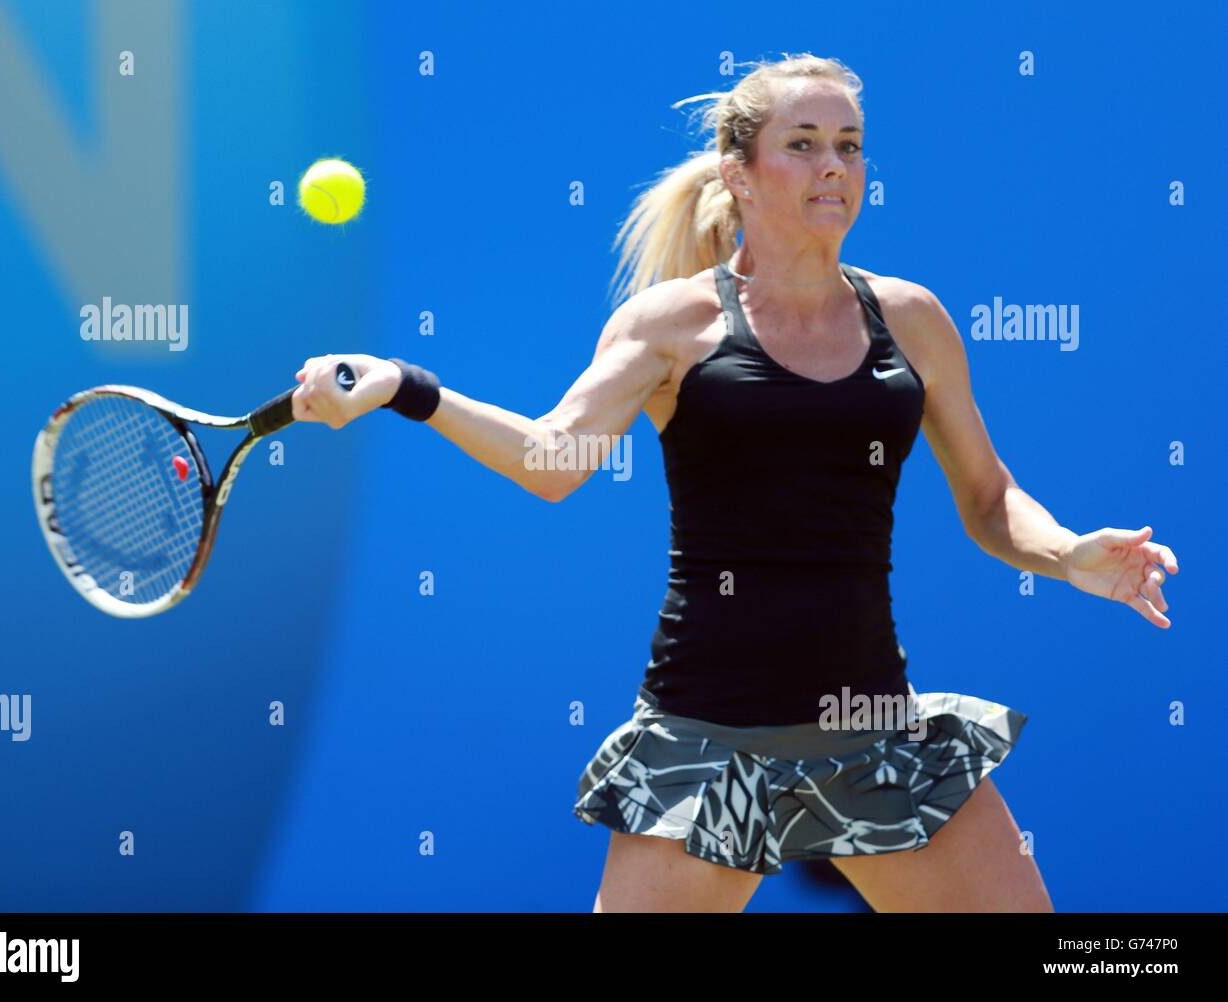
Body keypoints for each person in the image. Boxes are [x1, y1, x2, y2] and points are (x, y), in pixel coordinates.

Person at [289, 52, 1179, 913]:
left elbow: (989, 499)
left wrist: (1068, 554)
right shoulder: (673, 324)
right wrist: (409, 388)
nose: (833, 165)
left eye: (850, 143)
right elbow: (549, 461)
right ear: (740, 172)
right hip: (705, 739)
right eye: (802, 143)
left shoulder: (912, 319)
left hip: (872, 731)